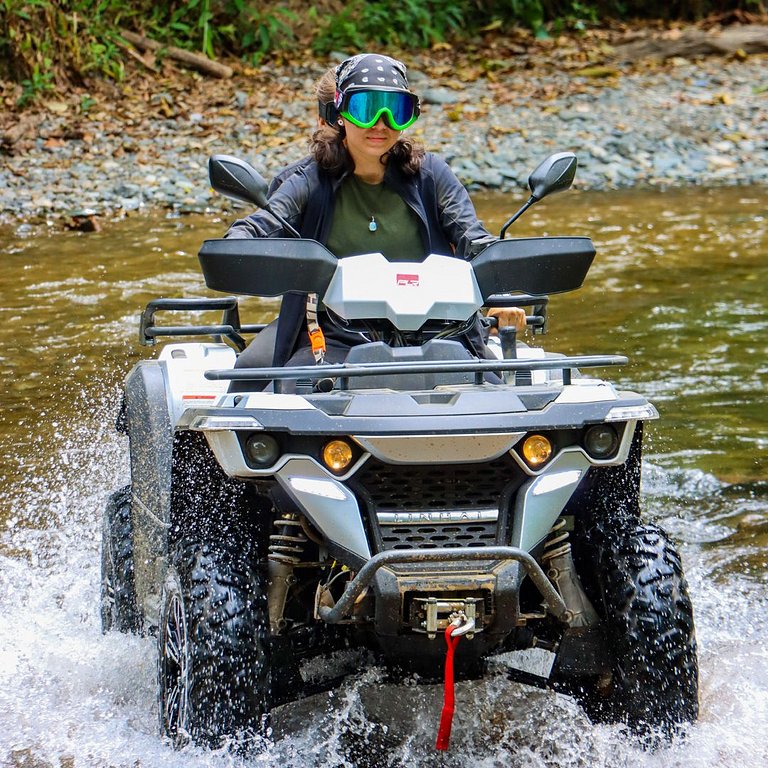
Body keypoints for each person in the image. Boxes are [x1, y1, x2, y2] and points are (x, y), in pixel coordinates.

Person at [226, 53, 525, 375]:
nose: (381, 124)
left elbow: (473, 237)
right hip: (334, 334)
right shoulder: (305, 180)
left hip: (440, 330)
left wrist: (501, 294)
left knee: (505, 389)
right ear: (340, 113)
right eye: (366, 109)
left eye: (395, 111)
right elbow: (258, 229)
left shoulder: (432, 174)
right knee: (250, 376)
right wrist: (240, 249)